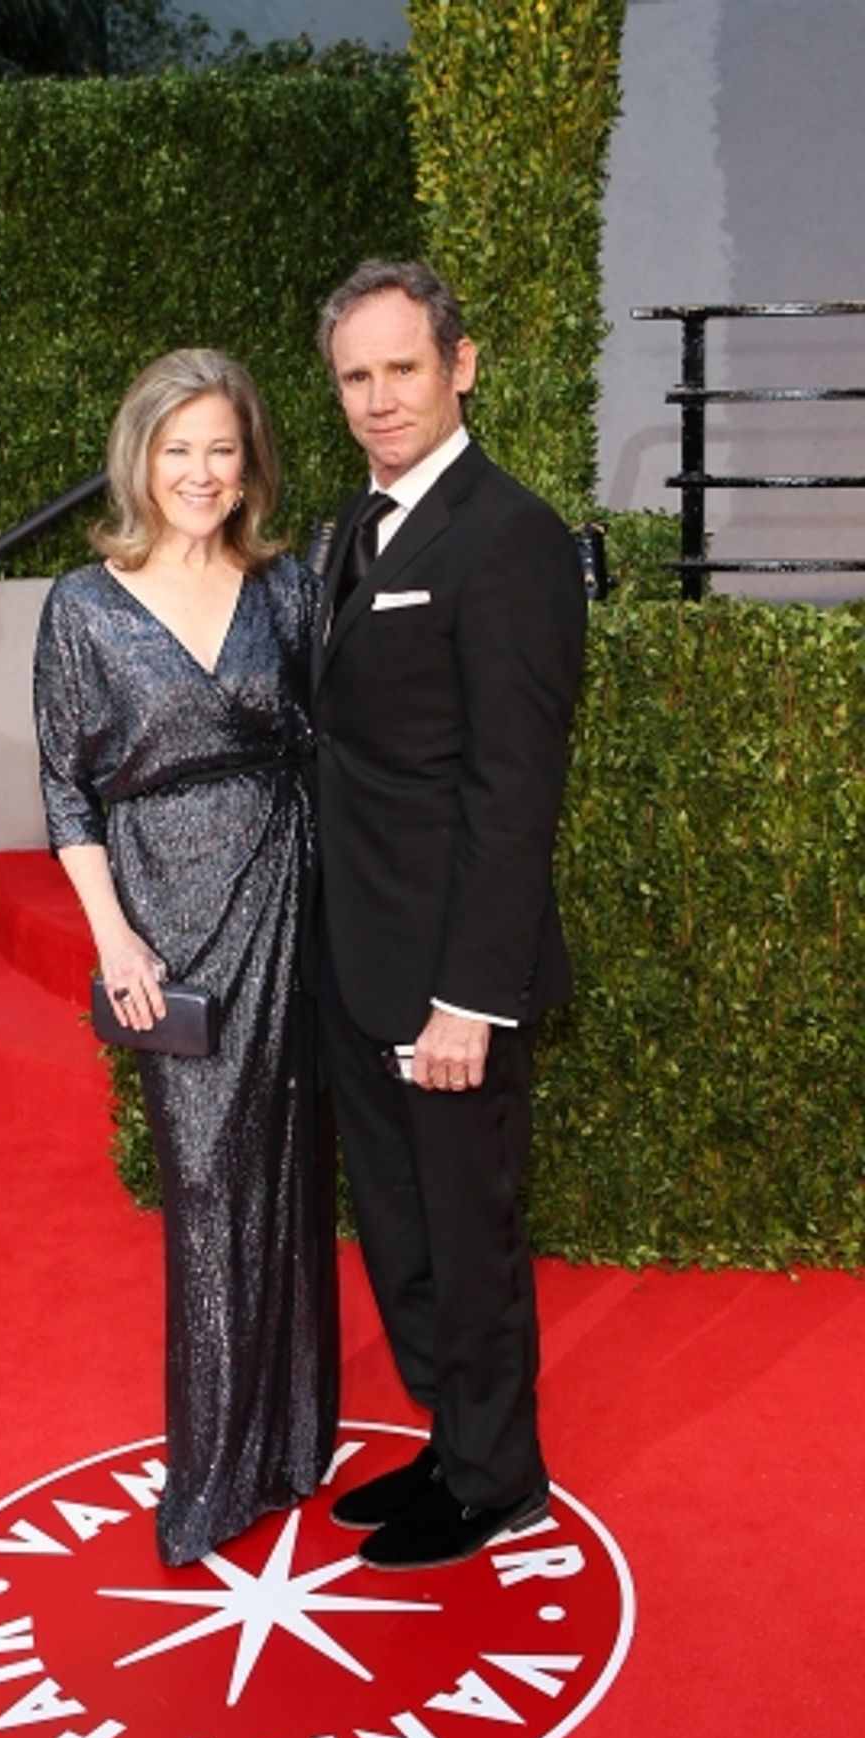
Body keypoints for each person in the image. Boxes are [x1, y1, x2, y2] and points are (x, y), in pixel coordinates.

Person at [33, 347, 338, 1568]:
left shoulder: (286, 590)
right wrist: (115, 937)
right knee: (207, 1186)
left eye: (223, 448)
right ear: (140, 460)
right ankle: (212, 1472)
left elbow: (327, 742)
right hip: (167, 916)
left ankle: (294, 1437)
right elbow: (67, 790)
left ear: (250, 462)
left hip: (289, 894)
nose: (202, 473)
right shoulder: (84, 606)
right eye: (179, 450)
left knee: (293, 1165)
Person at [312, 259, 586, 1570]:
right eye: (355, 377)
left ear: (461, 366)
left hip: (446, 976)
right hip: (357, 954)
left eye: (403, 369)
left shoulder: (510, 535)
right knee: (403, 1226)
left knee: (467, 1234)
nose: (380, 399)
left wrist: (470, 996)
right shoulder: (353, 527)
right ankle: (451, 1437)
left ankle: (496, 1475)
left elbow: (514, 789)